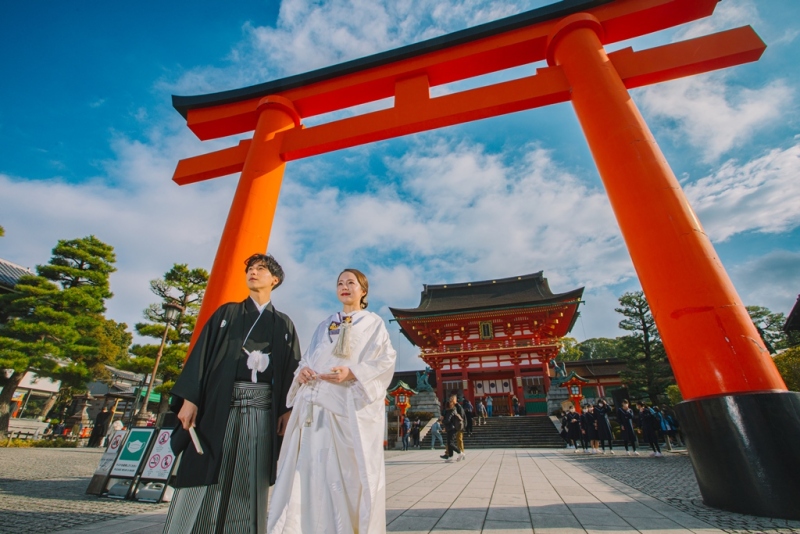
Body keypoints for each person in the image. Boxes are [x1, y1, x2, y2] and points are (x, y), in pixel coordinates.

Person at [163, 253, 301, 534]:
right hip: (219, 404)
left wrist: (287, 410)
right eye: (250, 268)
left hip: (263, 410)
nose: (253, 272)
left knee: (250, 473)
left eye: (261, 269)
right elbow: (201, 356)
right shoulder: (226, 314)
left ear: (274, 280)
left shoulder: (283, 324)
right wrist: (190, 399)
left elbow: (291, 369)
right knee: (207, 463)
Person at [268, 269, 397, 534]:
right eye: (340, 283)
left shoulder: (373, 324)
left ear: (363, 291)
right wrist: (301, 371)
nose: (344, 287)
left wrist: (352, 373)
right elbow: (309, 357)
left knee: (343, 477)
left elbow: (384, 361)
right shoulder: (325, 324)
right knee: (307, 472)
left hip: (346, 407)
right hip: (313, 407)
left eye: (351, 282)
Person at [442, 397, 464, 462]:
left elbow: (448, 420)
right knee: (449, 443)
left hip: (452, 429)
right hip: (451, 428)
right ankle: (450, 456)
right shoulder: (453, 410)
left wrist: (442, 420)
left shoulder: (450, 411)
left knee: (450, 443)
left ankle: (460, 453)